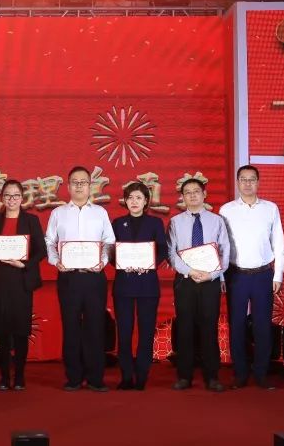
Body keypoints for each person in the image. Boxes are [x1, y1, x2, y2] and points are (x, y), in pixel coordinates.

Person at [44, 165, 116, 392]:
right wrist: (56, 261)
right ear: (68, 186)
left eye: (83, 182)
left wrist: (102, 261)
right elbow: (49, 241)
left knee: (95, 327)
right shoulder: (58, 213)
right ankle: (74, 377)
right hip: (69, 278)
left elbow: (109, 241)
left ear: (90, 185)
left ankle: (96, 378)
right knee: (71, 327)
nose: (78, 186)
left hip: (94, 278)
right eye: (74, 182)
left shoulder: (100, 213)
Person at [219, 165, 284, 390]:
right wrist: (221, 277)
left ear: (258, 182)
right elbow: (221, 245)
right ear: (237, 182)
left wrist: (278, 274)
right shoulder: (226, 210)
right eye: (243, 179)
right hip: (236, 274)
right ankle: (240, 373)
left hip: (263, 274)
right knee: (236, 325)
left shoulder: (270, 208)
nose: (247, 184)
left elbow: (279, 243)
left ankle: (261, 373)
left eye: (252, 179)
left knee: (262, 326)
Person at [167, 178, 230, 392]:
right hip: (185, 281)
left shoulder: (217, 221)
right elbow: (171, 253)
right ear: (182, 197)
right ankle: (184, 376)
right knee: (184, 328)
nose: (192, 195)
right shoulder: (175, 222)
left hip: (210, 281)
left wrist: (213, 274)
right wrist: (190, 271)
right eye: (188, 192)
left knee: (209, 327)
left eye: (196, 191)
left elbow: (225, 251)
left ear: (204, 194)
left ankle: (212, 376)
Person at [0, 179, 47, 391]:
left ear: (22, 198)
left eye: (16, 196)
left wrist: (25, 263)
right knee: (2, 331)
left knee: (20, 330)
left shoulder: (31, 220)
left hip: (21, 279)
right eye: (7, 196)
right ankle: (4, 377)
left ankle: (19, 376)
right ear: (2, 198)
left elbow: (41, 251)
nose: (11, 199)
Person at [111, 180, 167, 391]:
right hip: (124, 285)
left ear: (146, 201)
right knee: (124, 332)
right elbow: (111, 251)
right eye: (130, 198)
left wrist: (149, 265)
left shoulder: (155, 223)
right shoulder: (117, 223)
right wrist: (120, 263)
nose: (134, 201)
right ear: (125, 201)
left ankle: (142, 375)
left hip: (147, 286)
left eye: (138, 198)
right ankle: (126, 376)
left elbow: (162, 250)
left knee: (146, 332)